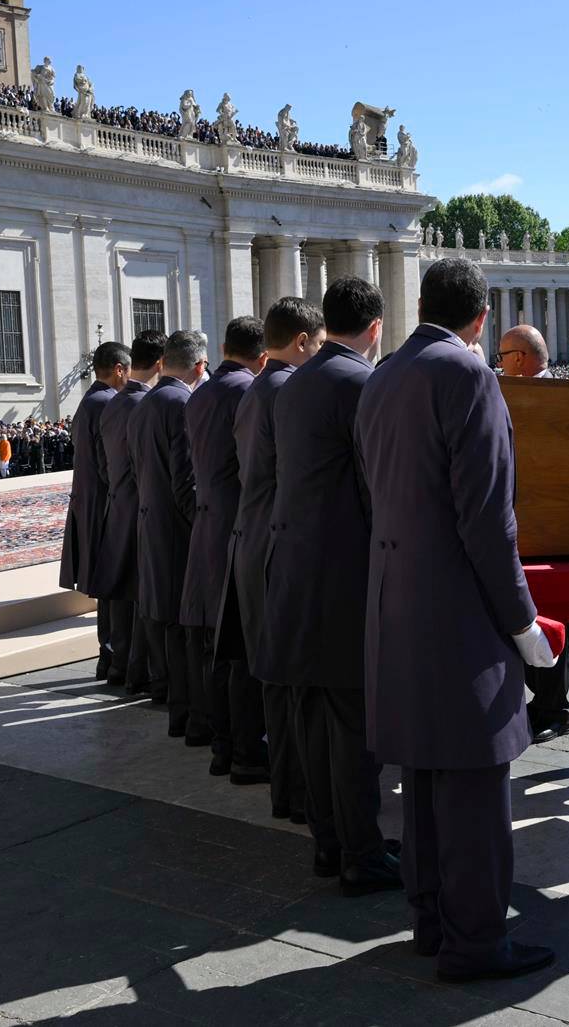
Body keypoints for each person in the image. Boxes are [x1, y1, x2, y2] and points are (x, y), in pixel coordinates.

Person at [356, 258, 556, 982]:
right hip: (460, 612)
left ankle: (432, 920)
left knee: (426, 781)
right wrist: (522, 620)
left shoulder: (381, 376)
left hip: (397, 603)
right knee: (473, 787)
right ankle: (475, 941)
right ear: (482, 316)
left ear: (421, 304)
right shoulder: (468, 375)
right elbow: (487, 518)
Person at [260, 277, 399, 895]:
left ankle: (328, 843)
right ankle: (362, 855)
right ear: (374, 328)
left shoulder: (293, 383)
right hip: (343, 572)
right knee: (352, 724)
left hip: (293, 566)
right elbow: (376, 487)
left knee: (312, 718)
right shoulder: (360, 383)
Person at [219, 298, 325, 825]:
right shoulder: (289, 389)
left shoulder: (260, 386)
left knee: (276, 679)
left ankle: (288, 789)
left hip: (252, 538)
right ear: (303, 341)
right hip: (275, 543)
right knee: (291, 681)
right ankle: (299, 792)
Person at [179, 317, 268, 782]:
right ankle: (247, 751)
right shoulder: (248, 393)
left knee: (216, 648)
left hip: (207, 529)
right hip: (240, 532)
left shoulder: (201, 395)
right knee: (243, 653)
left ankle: (223, 746)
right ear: (262, 356)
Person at [495, 323, 569, 742]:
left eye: (503, 357)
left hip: (555, 525)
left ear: (521, 359)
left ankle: (553, 706)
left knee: (554, 615)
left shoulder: (563, 396)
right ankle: (541, 699)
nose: (500, 365)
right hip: (525, 524)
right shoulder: (513, 393)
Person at [130, 331, 208, 741]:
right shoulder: (181, 403)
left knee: (171, 634)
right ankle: (194, 718)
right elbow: (185, 481)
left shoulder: (145, 404)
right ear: (198, 367)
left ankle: (181, 715)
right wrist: (203, 524)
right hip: (178, 533)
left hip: (152, 527)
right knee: (186, 634)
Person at [90, 330, 165, 694]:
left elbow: (104, 466)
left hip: (118, 505)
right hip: (142, 509)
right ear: (162, 362)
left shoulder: (113, 403)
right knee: (140, 598)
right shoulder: (147, 405)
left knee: (121, 596)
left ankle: (119, 664)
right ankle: (140, 671)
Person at [60, 340, 127, 680]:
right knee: (114, 585)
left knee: (105, 588)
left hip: (88, 503)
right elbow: (107, 463)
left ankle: (108, 655)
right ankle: (114, 657)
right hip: (105, 505)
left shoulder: (89, 400)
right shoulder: (108, 403)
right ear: (119, 370)